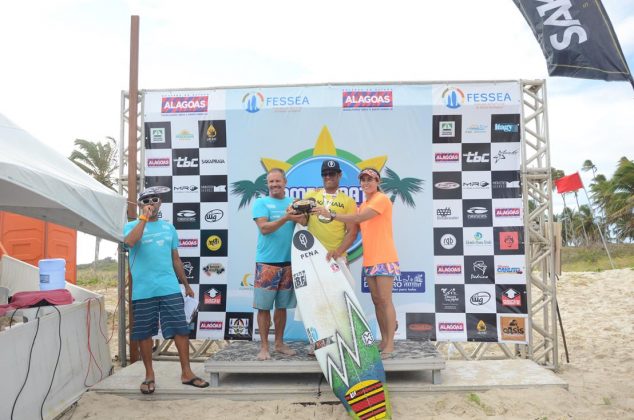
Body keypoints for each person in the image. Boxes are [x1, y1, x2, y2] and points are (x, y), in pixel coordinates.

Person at [124, 186, 209, 394]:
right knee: (144, 333)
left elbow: (176, 258)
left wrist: (186, 285)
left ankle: (187, 372)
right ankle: (149, 375)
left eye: (154, 200)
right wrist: (143, 219)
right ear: (140, 205)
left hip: (169, 287)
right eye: (146, 200)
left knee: (181, 329)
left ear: (160, 203)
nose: (151, 203)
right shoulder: (131, 226)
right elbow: (130, 242)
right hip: (143, 290)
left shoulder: (169, 228)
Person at [313, 167, 399, 356]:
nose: (366, 183)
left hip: (385, 258)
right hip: (369, 260)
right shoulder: (363, 204)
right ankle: (383, 340)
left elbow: (358, 218)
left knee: (385, 301)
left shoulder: (381, 200)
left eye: (370, 179)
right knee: (377, 302)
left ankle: (390, 343)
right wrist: (337, 249)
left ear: (378, 182)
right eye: (363, 180)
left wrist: (332, 215)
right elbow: (353, 228)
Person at [252, 168, 306, 360]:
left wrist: (305, 212)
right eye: (271, 182)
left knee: (282, 307)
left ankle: (280, 344)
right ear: (268, 184)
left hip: (288, 263)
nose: (274, 185)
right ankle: (264, 347)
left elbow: (304, 223)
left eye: (277, 181)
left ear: (285, 182)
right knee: (264, 308)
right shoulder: (261, 202)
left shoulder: (292, 203)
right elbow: (264, 228)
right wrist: (286, 217)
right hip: (267, 263)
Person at [305, 159, 358, 262]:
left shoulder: (348, 201)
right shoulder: (310, 195)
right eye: (324, 174)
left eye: (332, 173)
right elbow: (302, 220)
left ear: (339, 175)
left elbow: (352, 232)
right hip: (312, 254)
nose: (328, 177)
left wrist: (337, 252)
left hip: (337, 256)